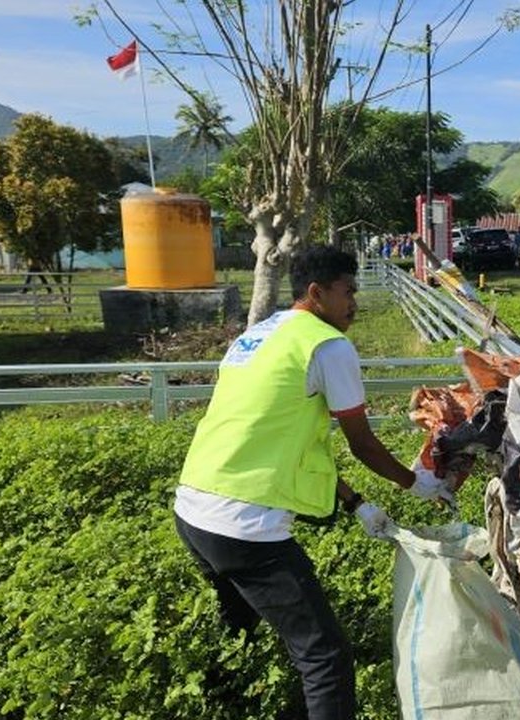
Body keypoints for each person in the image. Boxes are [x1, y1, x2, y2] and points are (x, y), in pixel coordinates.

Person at [173, 244, 457, 720]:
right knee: (325, 656)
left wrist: (357, 504)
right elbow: (361, 443)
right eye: (347, 291)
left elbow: (284, 442)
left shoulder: (258, 335)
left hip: (193, 512)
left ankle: (230, 707)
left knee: (238, 634)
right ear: (316, 293)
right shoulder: (327, 344)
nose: (354, 303)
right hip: (244, 525)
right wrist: (418, 484)